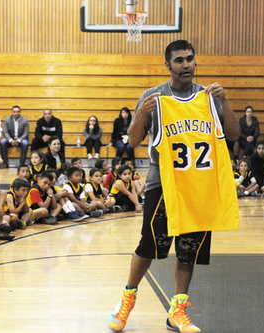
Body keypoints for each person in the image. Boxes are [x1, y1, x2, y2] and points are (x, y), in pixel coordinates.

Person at [108, 40, 240, 333]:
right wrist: (141, 113)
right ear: (167, 65)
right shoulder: (154, 96)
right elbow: (131, 142)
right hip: (162, 183)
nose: (186, 65)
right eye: (179, 60)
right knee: (149, 246)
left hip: (199, 186)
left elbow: (233, 134)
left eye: (190, 59)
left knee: (187, 251)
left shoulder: (209, 97)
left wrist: (226, 102)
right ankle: (127, 299)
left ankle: (177, 311)